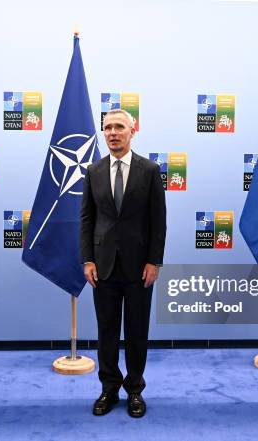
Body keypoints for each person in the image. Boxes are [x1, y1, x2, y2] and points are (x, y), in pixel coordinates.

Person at [80, 109, 166, 418]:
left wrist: (154, 262)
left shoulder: (150, 170)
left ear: (133, 131)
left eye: (119, 127)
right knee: (106, 330)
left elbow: (159, 221)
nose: (113, 132)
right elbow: (87, 218)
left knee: (136, 330)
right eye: (107, 128)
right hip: (102, 266)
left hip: (139, 266)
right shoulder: (93, 170)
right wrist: (87, 259)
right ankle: (109, 388)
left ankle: (134, 390)